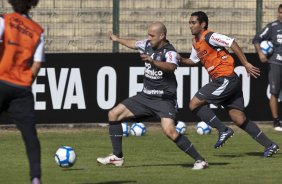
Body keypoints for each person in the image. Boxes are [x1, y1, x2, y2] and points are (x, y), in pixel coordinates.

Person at [97, 22, 208, 170]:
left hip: (164, 99)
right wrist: (117, 39)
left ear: (162, 36)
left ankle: (200, 161)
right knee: (113, 114)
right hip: (145, 97)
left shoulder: (170, 52)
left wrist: (153, 62)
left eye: (152, 35)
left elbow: (171, 67)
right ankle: (117, 157)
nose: (148, 38)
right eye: (148, 34)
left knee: (170, 131)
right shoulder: (147, 44)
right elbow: (133, 43)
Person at [178, 11, 279, 157]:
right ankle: (270, 145)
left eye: (193, 23)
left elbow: (232, 42)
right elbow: (193, 61)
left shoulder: (210, 36)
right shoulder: (195, 42)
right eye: (189, 23)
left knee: (193, 104)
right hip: (228, 80)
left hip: (225, 78)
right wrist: (179, 59)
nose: (190, 26)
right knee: (238, 118)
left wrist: (245, 63)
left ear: (203, 24)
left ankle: (223, 130)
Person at [0, 0, 45, 183]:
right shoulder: (37, 31)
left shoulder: (5, 20)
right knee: (30, 136)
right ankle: (35, 178)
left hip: (1, 80)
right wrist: (25, 81)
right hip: (22, 88)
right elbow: (36, 64)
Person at [253, 4, 282, 132]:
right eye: (280, 12)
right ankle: (276, 121)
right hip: (276, 63)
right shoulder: (272, 27)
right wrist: (260, 53)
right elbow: (256, 39)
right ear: (278, 12)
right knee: (274, 92)